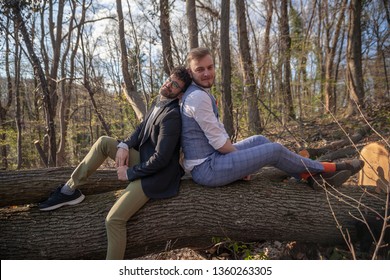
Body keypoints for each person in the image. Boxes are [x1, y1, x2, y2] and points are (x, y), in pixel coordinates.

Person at [39, 66, 192, 259]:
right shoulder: (159, 103)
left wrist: (130, 173)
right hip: (144, 159)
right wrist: (124, 145)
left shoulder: (172, 116)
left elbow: (161, 159)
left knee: (114, 221)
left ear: (181, 93)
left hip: (156, 176)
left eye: (175, 85)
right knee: (104, 142)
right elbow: (140, 130)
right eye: (170, 79)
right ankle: (69, 190)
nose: (169, 84)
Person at [180, 47, 363, 188]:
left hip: (212, 159)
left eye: (210, 67)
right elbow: (219, 143)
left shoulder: (199, 93)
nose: (206, 73)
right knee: (274, 150)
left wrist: (242, 163)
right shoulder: (197, 97)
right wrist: (244, 163)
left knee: (259, 139)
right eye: (200, 69)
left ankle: (310, 177)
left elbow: (217, 134)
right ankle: (329, 168)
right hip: (206, 169)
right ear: (190, 72)